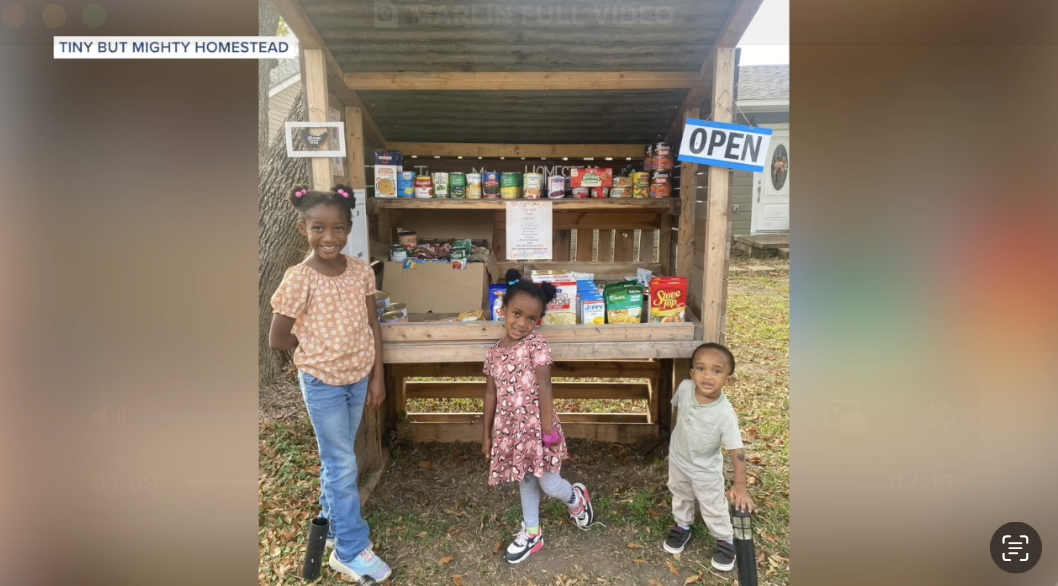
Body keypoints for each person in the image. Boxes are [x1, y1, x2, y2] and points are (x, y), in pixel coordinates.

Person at [268, 184, 391, 583]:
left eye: (338, 228)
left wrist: (377, 376)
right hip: (322, 383)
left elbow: (373, 325)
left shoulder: (360, 272)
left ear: (349, 229)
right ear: (303, 228)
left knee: (340, 460)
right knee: (341, 462)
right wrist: (318, 349)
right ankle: (350, 550)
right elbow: (278, 338)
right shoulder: (298, 278)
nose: (329, 237)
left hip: (358, 379)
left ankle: (334, 526)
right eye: (318, 228)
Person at [482, 270, 596, 564]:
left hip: (539, 428)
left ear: (538, 321)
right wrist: (487, 434)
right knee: (525, 480)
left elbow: (545, 386)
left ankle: (576, 499)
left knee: (549, 483)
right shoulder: (493, 353)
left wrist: (547, 433)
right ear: (503, 309)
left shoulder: (536, 344)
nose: (522, 323)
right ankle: (533, 533)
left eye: (531, 319)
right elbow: (491, 394)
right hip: (511, 430)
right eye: (517, 314)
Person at [662, 342, 754, 571]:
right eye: (701, 368)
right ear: (692, 372)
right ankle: (683, 525)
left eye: (716, 371)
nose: (707, 376)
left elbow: (737, 450)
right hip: (679, 459)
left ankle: (726, 539)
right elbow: (678, 409)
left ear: (728, 380)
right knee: (681, 493)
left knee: (712, 505)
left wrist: (740, 484)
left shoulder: (725, 414)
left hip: (705, 470)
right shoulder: (685, 388)